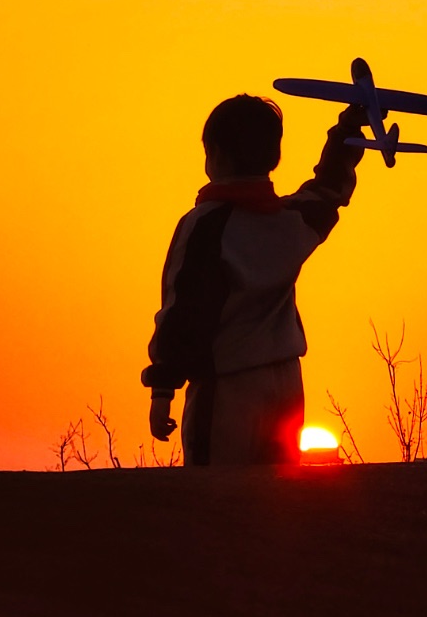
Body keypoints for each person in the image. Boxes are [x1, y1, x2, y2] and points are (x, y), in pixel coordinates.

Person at [141, 94, 366, 465]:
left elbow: (183, 309)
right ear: (273, 156)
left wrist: (163, 386)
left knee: (215, 501)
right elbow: (328, 190)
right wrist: (346, 135)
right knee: (277, 506)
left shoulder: (203, 225)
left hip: (226, 386)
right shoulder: (290, 220)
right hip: (286, 385)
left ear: (216, 155)